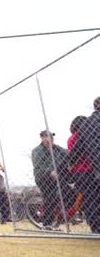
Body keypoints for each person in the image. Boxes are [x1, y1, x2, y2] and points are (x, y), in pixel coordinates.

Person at [71, 97, 100, 233]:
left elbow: (77, 149)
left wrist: (70, 163)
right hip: (86, 170)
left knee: (90, 198)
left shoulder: (87, 125)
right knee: (91, 197)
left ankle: (96, 227)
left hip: (93, 167)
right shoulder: (82, 130)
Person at [31, 130, 68, 231]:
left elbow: (67, 153)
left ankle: (64, 215)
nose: (49, 139)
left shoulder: (57, 148)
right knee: (50, 196)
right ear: (42, 138)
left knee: (66, 191)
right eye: (46, 137)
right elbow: (38, 166)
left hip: (57, 176)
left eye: (51, 137)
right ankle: (47, 223)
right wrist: (50, 172)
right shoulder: (37, 151)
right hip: (43, 177)